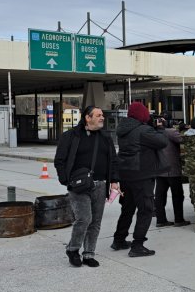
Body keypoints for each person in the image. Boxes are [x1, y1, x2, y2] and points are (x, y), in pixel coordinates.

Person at [54, 105, 119, 267]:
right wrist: (65, 180)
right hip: (79, 186)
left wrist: (114, 181)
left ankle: (89, 253)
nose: (102, 117)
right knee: (84, 218)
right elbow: (59, 160)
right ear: (87, 118)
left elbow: (113, 161)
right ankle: (73, 249)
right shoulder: (71, 136)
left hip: (100, 184)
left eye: (102, 115)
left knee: (96, 221)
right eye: (98, 115)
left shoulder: (105, 138)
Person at [113, 102, 169, 257]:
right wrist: (159, 128)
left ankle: (119, 239)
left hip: (126, 174)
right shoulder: (144, 130)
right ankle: (137, 245)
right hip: (141, 175)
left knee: (128, 208)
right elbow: (162, 142)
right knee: (145, 209)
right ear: (142, 115)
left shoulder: (123, 129)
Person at [154, 115, 190, 228]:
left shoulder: (153, 133)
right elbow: (182, 140)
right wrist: (181, 130)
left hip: (159, 170)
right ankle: (178, 219)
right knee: (178, 195)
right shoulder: (170, 132)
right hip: (172, 170)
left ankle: (160, 220)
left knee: (160, 196)